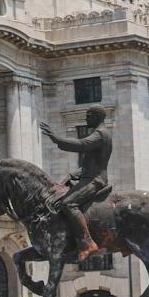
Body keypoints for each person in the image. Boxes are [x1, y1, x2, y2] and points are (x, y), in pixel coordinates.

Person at [39, 108, 114, 262]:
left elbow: (82, 144)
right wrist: (74, 175)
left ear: (98, 117)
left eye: (89, 115)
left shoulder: (100, 134)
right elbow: (93, 161)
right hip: (87, 177)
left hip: (95, 180)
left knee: (68, 204)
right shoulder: (100, 133)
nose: (86, 118)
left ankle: (87, 243)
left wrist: (57, 139)